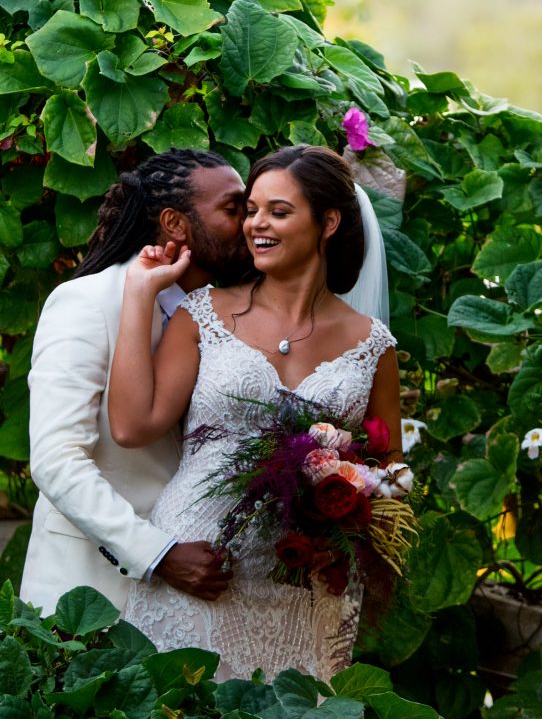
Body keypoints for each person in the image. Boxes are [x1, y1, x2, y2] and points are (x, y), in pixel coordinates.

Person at [108, 144, 401, 682]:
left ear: (328, 222)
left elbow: (393, 475)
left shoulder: (372, 346)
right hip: (197, 569)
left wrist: (348, 533)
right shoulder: (203, 314)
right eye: (251, 210)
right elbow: (131, 426)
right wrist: (139, 294)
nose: (256, 224)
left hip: (305, 586)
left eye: (278, 212)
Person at [20, 148, 251, 614]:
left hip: (207, 597)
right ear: (175, 223)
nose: (251, 223)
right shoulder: (85, 302)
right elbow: (56, 460)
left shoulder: (233, 314)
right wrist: (156, 553)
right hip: (91, 590)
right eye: (234, 208)